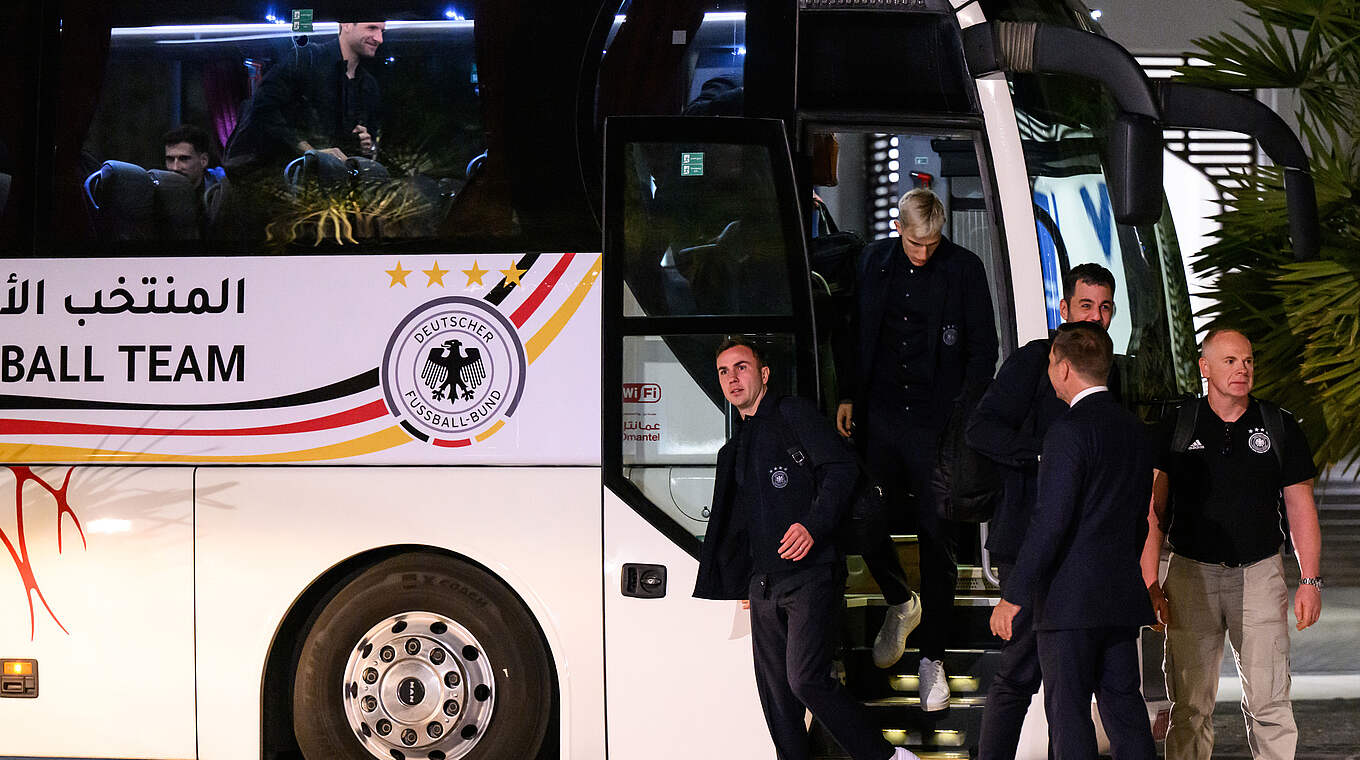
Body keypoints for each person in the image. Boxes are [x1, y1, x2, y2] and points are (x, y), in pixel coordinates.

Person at [694, 336, 918, 760]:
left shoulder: (791, 412)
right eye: (724, 371)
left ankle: (888, 757)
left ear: (763, 374)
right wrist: (744, 581)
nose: (732, 378)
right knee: (778, 701)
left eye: (741, 367)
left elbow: (841, 467)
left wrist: (813, 526)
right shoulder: (738, 443)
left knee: (806, 679)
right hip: (763, 585)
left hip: (811, 575)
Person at [835, 187, 998, 709]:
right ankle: (902, 602)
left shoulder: (965, 269)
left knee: (939, 540)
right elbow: (852, 332)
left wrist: (966, 418)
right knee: (862, 516)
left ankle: (934, 660)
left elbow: (984, 350)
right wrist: (847, 394)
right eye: (915, 241)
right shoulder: (873, 263)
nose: (923, 251)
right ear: (899, 229)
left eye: (932, 242)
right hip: (880, 415)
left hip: (940, 424)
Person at [1142, 328, 1322, 760]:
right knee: (1188, 708)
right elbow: (1154, 513)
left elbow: (1300, 508)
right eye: (1229, 361)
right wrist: (1149, 582)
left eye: (1247, 361)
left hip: (1260, 573)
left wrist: (1310, 580)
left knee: (1271, 704)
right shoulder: (1179, 426)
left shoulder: (1278, 425)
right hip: (1190, 573)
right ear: (1205, 368)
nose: (1242, 369)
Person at [967, 262, 1119, 759]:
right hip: (1030, 540)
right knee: (1019, 671)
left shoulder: (1110, 370)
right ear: (1063, 309)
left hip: (1083, 553)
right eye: (1085, 306)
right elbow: (981, 430)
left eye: (1104, 308)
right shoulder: (1035, 361)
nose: (1094, 317)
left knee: (1065, 682)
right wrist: (1041, 456)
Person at [989, 321, 1156, 760]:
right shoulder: (1136, 431)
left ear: (1063, 369)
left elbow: (1050, 522)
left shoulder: (1066, 431)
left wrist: (1013, 596)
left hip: (1068, 605)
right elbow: (1142, 518)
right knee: (1125, 711)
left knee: (1069, 716)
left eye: (1049, 365)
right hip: (1120, 598)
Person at [225, 20, 386, 167]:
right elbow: (262, 108)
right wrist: (308, 150)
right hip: (284, 178)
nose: (379, 39)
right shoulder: (306, 59)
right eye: (371, 28)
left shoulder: (368, 85)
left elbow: (368, 139)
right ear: (347, 25)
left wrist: (366, 145)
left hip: (334, 183)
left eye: (382, 31)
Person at [162, 125, 225, 200]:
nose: (175, 168)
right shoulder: (159, 192)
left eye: (184, 159)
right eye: (170, 159)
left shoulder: (222, 191)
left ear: (204, 161)